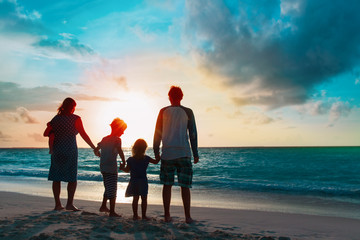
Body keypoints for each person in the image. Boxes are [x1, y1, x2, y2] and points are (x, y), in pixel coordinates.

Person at [153, 86, 199, 224]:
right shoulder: (188, 112)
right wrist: (195, 153)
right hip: (184, 153)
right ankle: (188, 217)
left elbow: (157, 133)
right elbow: (193, 134)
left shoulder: (163, 111)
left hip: (167, 153)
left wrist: (156, 152)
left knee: (167, 185)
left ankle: (167, 215)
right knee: (185, 186)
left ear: (169, 97)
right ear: (182, 96)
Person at [43, 97, 96, 211]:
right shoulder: (75, 118)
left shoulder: (56, 119)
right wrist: (93, 147)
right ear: (72, 107)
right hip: (70, 150)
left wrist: (51, 148)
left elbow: (48, 134)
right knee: (72, 177)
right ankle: (69, 204)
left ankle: (58, 204)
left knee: (56, 177)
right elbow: (83, 134)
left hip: (57, 150)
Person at [93, 118, 127, 217]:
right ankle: (112, 211)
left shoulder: (104, 139)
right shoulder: (117, 139)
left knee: (108, 186)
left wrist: (98, 154)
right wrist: (124, 161)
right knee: (112, 189)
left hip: (103, 166)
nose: (123, 133)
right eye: (122, 130)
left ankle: (103, 206)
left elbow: (96, 149)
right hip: (111, 167)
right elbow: (120, 150)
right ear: (117, 128)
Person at [120, 139, 160, 220]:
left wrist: (121, 168)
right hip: (143, 181)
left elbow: (127, 170)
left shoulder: (131, 159)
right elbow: (156, 162)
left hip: (134, 181)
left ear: (134, 148)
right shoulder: (146, 158)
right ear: (144, 148)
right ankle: (144, 216)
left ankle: (135, 215)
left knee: (135, 199)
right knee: (144, 199)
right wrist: (159, 156)